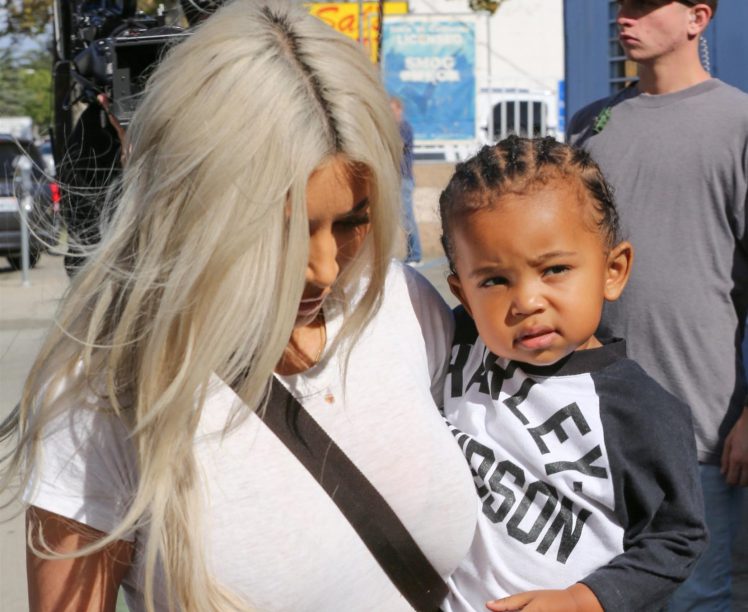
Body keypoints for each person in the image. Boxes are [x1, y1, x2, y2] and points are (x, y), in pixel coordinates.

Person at [0, 2, 479, 610]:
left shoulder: (403, 304)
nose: (326, 268)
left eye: (352, 222)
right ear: (195, 206)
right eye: (284, 229)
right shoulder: (101, 395)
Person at [437, 136, 707, 612]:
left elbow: (676, 538)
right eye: (494, 280)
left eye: (555, 269)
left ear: (613, 270)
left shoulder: (643, 412)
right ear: (463, 294)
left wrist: (583, 600)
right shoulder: (455, 343)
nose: (526, 301)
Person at [568, 1, 748, 607]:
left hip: (699, 424)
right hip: (592, 424)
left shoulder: (738, 123)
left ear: (698, 18)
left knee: (695, 598)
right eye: (623, 4)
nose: (625, 16)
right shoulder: (590, 126)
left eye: (646, 5)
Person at [390, 96, 422, 265]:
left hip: (404, 179)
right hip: (394, 178)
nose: (390, 113)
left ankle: (415, 254)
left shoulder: (404, 127)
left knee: (407, 217)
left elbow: (397, 146)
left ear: (399, 110)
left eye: (392, 109)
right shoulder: (391, 128)